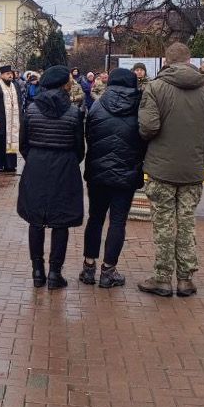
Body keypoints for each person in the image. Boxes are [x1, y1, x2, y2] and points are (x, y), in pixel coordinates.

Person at [137, 43, 204, 298]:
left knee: (163, 224)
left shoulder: (155, 87)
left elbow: (148, 127)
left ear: (166, 61)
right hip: (193, 170)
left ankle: (162, 278)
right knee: (186, 223)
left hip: (161, 168)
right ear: (189, 61)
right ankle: (186, 279)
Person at [17, 65, 86, 289]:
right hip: (64, 166)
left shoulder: (32, 109)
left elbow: (23, 145)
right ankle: (55, 273)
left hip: (36, 164)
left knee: (35, 220)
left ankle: (37, 271)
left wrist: (36, 158)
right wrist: (66, 160)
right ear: (64, 84)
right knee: (61, 222)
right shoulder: (74, 112)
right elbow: (79, 149)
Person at [80, 68, 145, 289]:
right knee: (118, 221)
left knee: (95, 218)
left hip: (98, 173)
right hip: (126, 174)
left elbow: (89, 136)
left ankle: (88, 268)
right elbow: (144, 138)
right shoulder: (139, 109)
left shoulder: (97, 106)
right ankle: (108, 271)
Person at [0, 65, 24, 173]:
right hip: (1, 120)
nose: (10, 76)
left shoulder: (15, 86)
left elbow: (19, 102)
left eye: (11, 74)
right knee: (0, 142)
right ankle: (0, 164)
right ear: (2, 75)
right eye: (8, 74)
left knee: (12, 141)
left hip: (13, 120)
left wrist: (20, 118)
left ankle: (10, 165)